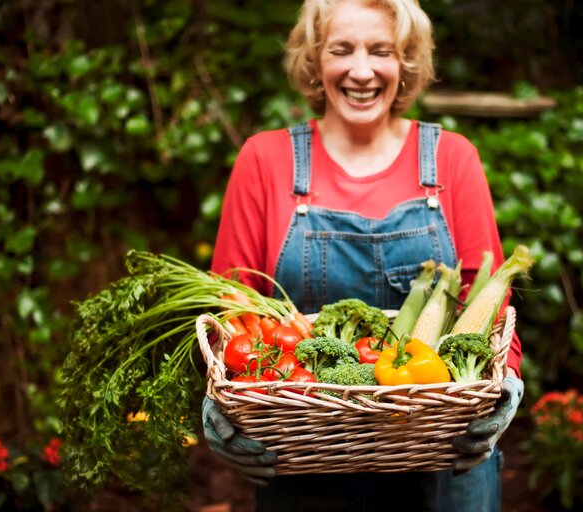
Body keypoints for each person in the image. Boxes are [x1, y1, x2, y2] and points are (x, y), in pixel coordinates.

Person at [203, 0, 524, 510]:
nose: (361, 70)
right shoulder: (265, 160)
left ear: (406, 64)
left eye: (381, 51)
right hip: (304, 449)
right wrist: (219, 402)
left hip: (443, 452)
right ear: (315, 60)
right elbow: (231, 304)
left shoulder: (451, 158)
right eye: (341, 50)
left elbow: (489, 303)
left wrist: (502, 385)